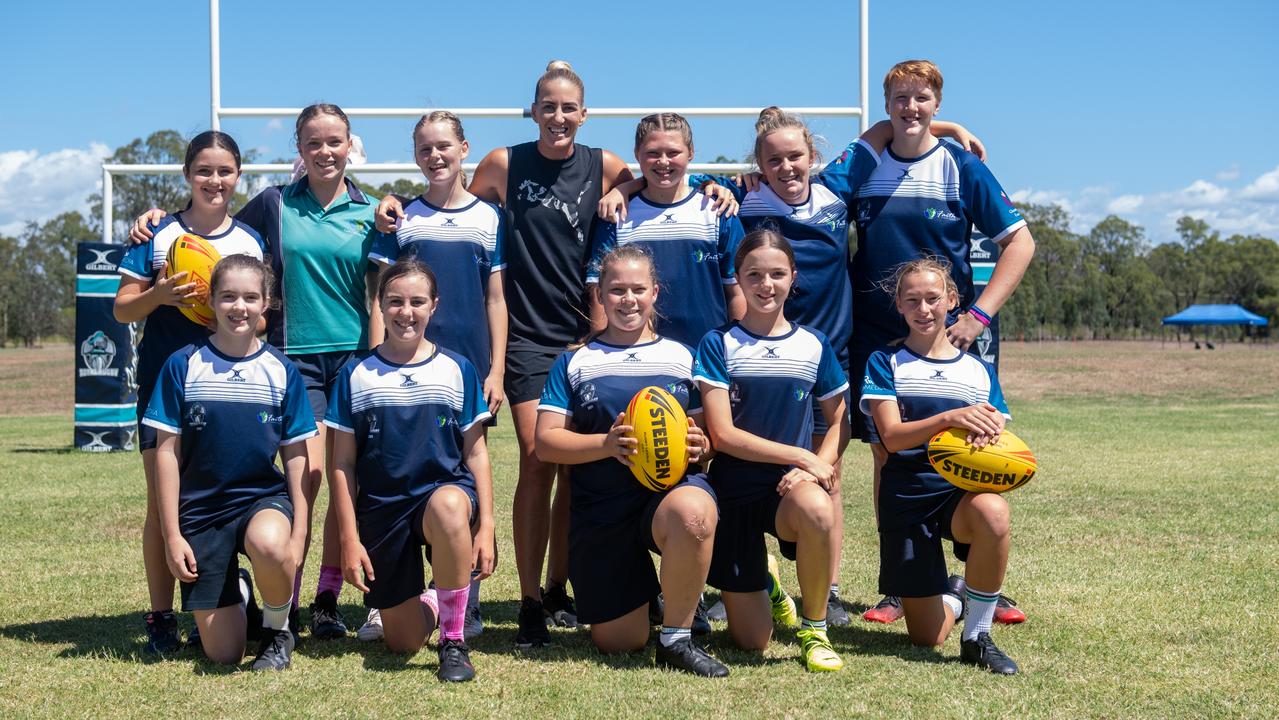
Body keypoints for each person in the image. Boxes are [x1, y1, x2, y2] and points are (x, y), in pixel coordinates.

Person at [376, 62, 730, 647]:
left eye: (570, 108)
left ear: (583, 114)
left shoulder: (604, 164)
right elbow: (447, 195)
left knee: (585, 462)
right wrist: (395, 201)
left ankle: (567, 586)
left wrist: (691, 187)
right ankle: (532, 600)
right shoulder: (504, 163)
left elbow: (656, 179)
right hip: (530, 335)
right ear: (534, 111)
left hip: (594, 331)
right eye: (548, 106)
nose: (559, 116)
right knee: (542, 458)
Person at [603, 108, 981, 626]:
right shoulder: (740, 198)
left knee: (828, 471)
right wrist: (625, 183)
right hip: (758, 355)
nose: (786, 167)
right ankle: (738, 577)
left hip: (827, 353)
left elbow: (888, 129)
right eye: (773, 159)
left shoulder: (835, 190)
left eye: (795, 156)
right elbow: (672, 174)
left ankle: (822, 592)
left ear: (813, 158)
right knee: (731, 463)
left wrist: (946, 129)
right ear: (756, 164)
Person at [130, 104, 389, 640]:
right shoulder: (271, 207)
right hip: (290, 357)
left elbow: (392, 271)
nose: (324, 151)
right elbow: (206, 225)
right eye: (313, 142)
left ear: (349, 145)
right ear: (299, 148)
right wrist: (154, 219)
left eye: (334, 141)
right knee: (308, 477)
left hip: (356, 358)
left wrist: (394, 204)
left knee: (355, 478)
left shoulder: (373, 209)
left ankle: (327, 597)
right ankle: (279, 603)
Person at [836, 60, 1035, 625]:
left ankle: (979, 578)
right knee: (887, 455)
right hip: (879, 338)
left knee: (975, 444)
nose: (911, 108)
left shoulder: (961, 168)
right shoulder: (867, 164)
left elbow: (1019, 244)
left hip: (950, 331)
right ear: (886, 104)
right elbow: (811, 181)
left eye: (922, 98)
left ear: (937, 103)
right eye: (900, 98)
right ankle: (900, 585)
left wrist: (977, 314)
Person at [535, 245, 729, 677]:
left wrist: (702, 447)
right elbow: (546, 442)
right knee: (620, 642)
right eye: (617, 289)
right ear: (600, 295)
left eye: (638, 289)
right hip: (602, 508)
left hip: (668, 495)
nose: (628, 299)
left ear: (654, 293)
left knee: (694, 512)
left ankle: (677, 638)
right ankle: (650, 594)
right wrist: (605, 445)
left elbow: (709, 437)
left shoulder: (683, 356)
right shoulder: (574, 361)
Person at [115, 130, 266, 654]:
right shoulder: (158, 236)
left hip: (231, 392)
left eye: (225, 171)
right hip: (166, 383)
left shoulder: (249, 241)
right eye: (204, 170)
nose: (215, 180)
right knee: (163, 505)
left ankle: (230, 591)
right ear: (187, 176)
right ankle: (160, 616)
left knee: (227, 494)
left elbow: (261, 320)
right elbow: (122, 308)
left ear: (238, 177)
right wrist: (158, 294)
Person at [363, 111, 508, 642]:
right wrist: (378, 355)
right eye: (424, 149)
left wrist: (495, 368)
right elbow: (381, 292)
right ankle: (388, 595)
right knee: (393, 472)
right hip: (400, 368)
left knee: (462, 481)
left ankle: (462, 601)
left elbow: (496, 296)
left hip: (464, 373)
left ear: (464, 148)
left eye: (444, 146)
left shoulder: (490, 219)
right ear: (415, 155)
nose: (435, 156)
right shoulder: (401, 218)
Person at [325, 259, 496, 682]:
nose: (407, 311)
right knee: (402, 642)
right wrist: (349, 538)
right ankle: (437, 601)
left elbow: (476, 455)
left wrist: (487, 524)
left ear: (434, 306)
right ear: (379, 306)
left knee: (450, 506)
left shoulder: (457, 369)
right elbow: (343, 464)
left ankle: (454, 641)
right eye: (395, 301)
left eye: (417, 301)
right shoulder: (355, 374)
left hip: (442, 495)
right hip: (384, 509)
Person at [144, 254, 313, 670]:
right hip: (202, 511)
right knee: (224, 654)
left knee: (270, 544)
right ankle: (239, 588)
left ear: (266, 302)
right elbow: (165, 454)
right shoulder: (182, 365)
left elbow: (296, 457)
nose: (240, 307)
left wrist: (301, 529)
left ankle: (277, 632)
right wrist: (172, 535)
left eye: (250, 297)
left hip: (261, 500)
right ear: (212, 301)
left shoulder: (281, 370)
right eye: (229, 297)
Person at [694, 230, 850, 673]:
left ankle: (814, 630)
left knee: (819, 509)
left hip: (788, 488)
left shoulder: (813, 345)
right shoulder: (718, 343)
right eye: (755, 274)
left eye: (777, 274)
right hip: (732, 491)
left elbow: (840, 420)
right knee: (752, 641)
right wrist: (805, 456)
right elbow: (722, 435)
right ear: (738, 279)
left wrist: (816, 467)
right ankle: (768, 584)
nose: (767, 285)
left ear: (793, 277)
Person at [859, 256, 1020, 674]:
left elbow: (997, 437)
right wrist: (949, 418)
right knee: (927, 637)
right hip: (907, 496)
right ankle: (956, 596)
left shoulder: (979, 372)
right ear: (898, 306)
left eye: (933, 298)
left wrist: (988, 434)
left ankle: (978, 636)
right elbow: (892, 437)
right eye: (912, 300)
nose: (923, 309)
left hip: (957, 493)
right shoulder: (885, 362)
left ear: (952, 300)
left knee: (994, 511)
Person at [586, 112, 745, 347]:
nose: (663, 161)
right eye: (652, 153)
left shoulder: (718, 211)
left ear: (690, 152)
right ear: (637, 155)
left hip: (707, 355)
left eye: (673, 153)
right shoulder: (616, 215)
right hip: (637, 355)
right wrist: (598, 350)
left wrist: (736, 351)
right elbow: (598, 290)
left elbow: (738, 292)